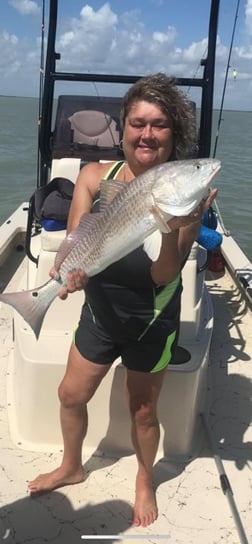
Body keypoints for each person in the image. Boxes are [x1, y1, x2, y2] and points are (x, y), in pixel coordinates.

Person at [28, 73, 217, 527]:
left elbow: (163, 272)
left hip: (151, 319)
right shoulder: (96, 176)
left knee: (144, 411)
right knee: (70, 394)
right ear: (124, 127)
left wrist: (177, 225)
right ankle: (73, 466)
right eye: (137, 123)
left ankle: (144, 477)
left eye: (159, 125)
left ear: (174, 134)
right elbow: (77, 238)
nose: (147, 134)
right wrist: (63, 275)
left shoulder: (185, 194)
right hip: (99, 311)